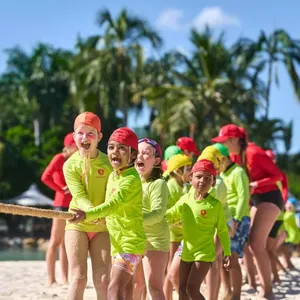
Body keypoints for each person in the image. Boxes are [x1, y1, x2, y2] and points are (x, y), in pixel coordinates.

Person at [70, 127, 147, 300]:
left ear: (133, 155)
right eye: (111, 147)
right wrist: (99, 217)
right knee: (125, 291)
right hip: (117, 244)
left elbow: (113, 204)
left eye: (122, 148)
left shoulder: (131, 179)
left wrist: (87, 215)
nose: (115, 152)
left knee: (113, 289)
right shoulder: (113, 176)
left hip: (130, 244)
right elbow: (109, 207)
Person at [212, 124, 283, 299]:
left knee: (256, 243)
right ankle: (251, 283)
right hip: (256, 199)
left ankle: (267, 291)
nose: (223, 146)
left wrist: (257, 184)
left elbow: (278, 176)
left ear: (234, 140)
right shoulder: (236, 156)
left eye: (224, 142)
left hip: (270, 197)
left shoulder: (254, 152)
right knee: (249, 245)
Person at [63, 112, 113, 300]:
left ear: (99, 137)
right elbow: (79, 196)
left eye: (90, 133)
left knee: (103, 280)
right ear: (74, 136)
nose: (85, 138)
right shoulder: (69, 165)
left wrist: (101, 213)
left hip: (103, 226)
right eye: (80, 133)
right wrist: (94, 213)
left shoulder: (109, 162)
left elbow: (113, 194)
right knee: (78, 278)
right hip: (77, 224)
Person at [166, 159, 231, 300]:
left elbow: (222, 230)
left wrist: (227, 251)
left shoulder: (215, 205)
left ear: (213, 183)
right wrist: (156, 217)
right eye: (199, 177)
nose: (202, 181)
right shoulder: (185, 199)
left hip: (204, 253)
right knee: (182, 289)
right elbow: (171, 214)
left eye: (208, 178)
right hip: (187, 251)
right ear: (190, 178)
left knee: (192, 288)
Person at [134, 138, 170, 299]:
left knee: (153, 288)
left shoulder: (158, 184)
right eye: (137, 152)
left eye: (146, 153)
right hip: (135, 238)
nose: (140, 156)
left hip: (155, 239)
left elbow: (157, 214)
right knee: (136, 286)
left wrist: (133, 220)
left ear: (156, 161)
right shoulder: (131, 182)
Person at [214, 143, 250, 300]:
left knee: (232, 256)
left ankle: (236, 295)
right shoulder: (220, 176)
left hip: (239, 218)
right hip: (225, 219)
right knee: (221, 256)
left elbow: (243, 197)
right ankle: (227, 291)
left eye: (218, 160)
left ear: (226, 158)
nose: (216, 164)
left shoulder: (238, 171)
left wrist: (236, 220)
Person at [41, 133, 78, 286]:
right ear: (69, 146)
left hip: (73, 205)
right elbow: (45, 177)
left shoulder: (77, 161)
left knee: (65, 244)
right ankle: (51, 279)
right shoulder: (59, 158)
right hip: (60, 203)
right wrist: (61, 189)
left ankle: (64, 278)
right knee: (55, 242)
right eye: (76, 146)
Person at [197, 145, 232, 300]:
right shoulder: (212, 181)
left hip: (221, 225)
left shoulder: (216, 184)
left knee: (212, 261)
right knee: (213, 261)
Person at [163, 154, 192, 300]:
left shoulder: (185, 186)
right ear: (177, 171)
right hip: (173, 233)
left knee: (176, 270)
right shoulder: (170, 186)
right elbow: (167, 211)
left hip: (183, 232)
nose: (191, 171)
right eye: (188, 168)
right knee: (170, 269)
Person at [281, 198, 300, 269]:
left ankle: (287, 263)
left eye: (291, 205)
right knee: (286, 249)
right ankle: (288, 263)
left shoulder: (292, 215)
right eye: (287, 204)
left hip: (293, 235)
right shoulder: (287, 213)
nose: (289, 206)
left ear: (294, 207)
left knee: (286, 249)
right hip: (288, 235)